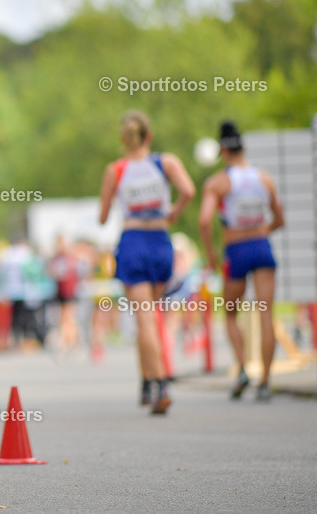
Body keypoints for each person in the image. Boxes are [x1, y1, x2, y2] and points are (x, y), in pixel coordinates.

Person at [99, 111, 195, 414]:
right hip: (161, 243)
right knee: (151, 317)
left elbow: (102, 218)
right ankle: (146, 381)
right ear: (148, 136)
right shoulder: (165, 162)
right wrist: (173, 212)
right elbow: (189, 191)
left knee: (145, 319)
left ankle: (159, 383)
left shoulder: (116, 169)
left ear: (122, 140)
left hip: (134, 242)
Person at [199, 121, 285, 401]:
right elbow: (280, 219)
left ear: (222, 150)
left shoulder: (217, 183)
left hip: (236, 250)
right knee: (266, 314)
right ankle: (266, 381)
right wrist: (261, 232)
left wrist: (211, 253)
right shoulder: (265, 178)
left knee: (231, 315)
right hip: (262, 247)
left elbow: (203, 220)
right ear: (243, 147)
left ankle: (244, 369)